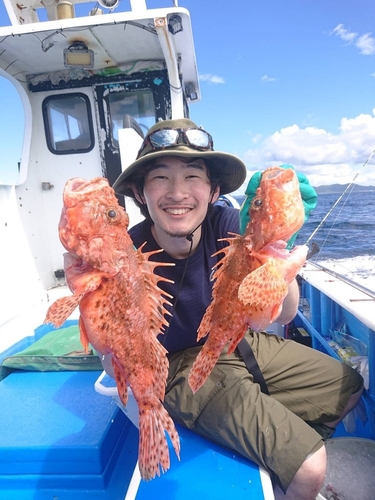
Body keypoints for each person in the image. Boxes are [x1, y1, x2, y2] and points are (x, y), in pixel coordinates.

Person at [112, 118, 364, 500]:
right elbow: (113, 341)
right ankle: (294, 469)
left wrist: (274, 247)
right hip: (175, 364)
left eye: (193, 177)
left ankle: (281, 454)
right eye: (160, 177)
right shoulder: (126, 254)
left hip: (235, 340)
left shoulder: (232, 225)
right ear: (139, 191)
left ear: (214, 191)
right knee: (311, 469)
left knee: (349, 387)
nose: (178, 193)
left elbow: (281, 315)